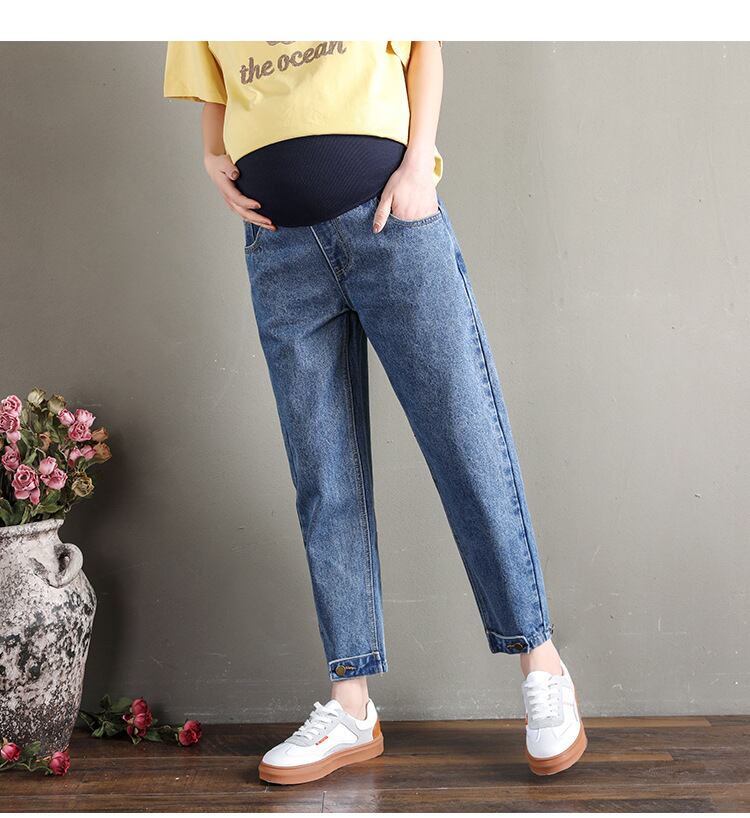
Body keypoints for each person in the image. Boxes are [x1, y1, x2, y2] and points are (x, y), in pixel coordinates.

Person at [164, 40, 587, 784]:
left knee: (465, 440)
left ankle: (542, 665)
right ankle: (351, 704)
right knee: (323, 474)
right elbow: (213, 86)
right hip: (280, 250)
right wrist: (211, 156)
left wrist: (420, 162)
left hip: (392, 221)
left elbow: (424, 44)